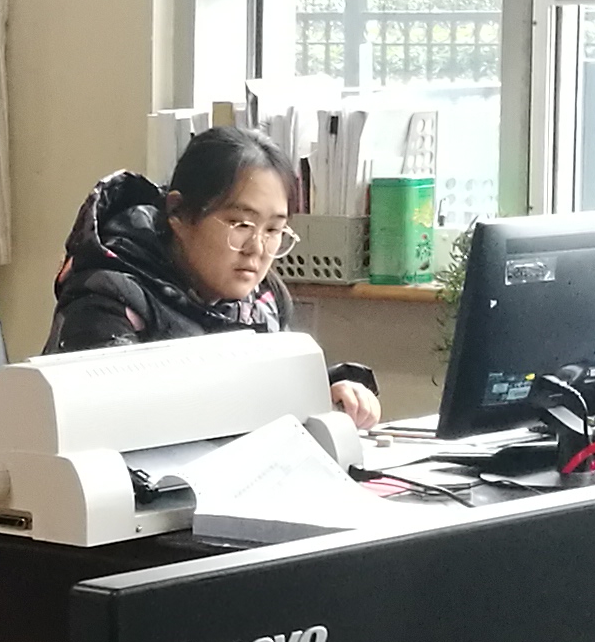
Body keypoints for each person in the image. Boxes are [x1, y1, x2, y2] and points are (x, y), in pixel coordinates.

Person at [44, 125, 383, 430]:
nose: (257, 248)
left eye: (273, 230)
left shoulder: (264, 300)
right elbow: (112, 424)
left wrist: (331, 391)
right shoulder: (108, 298)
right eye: (240, 224)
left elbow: (273, 388)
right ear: (178, 212)